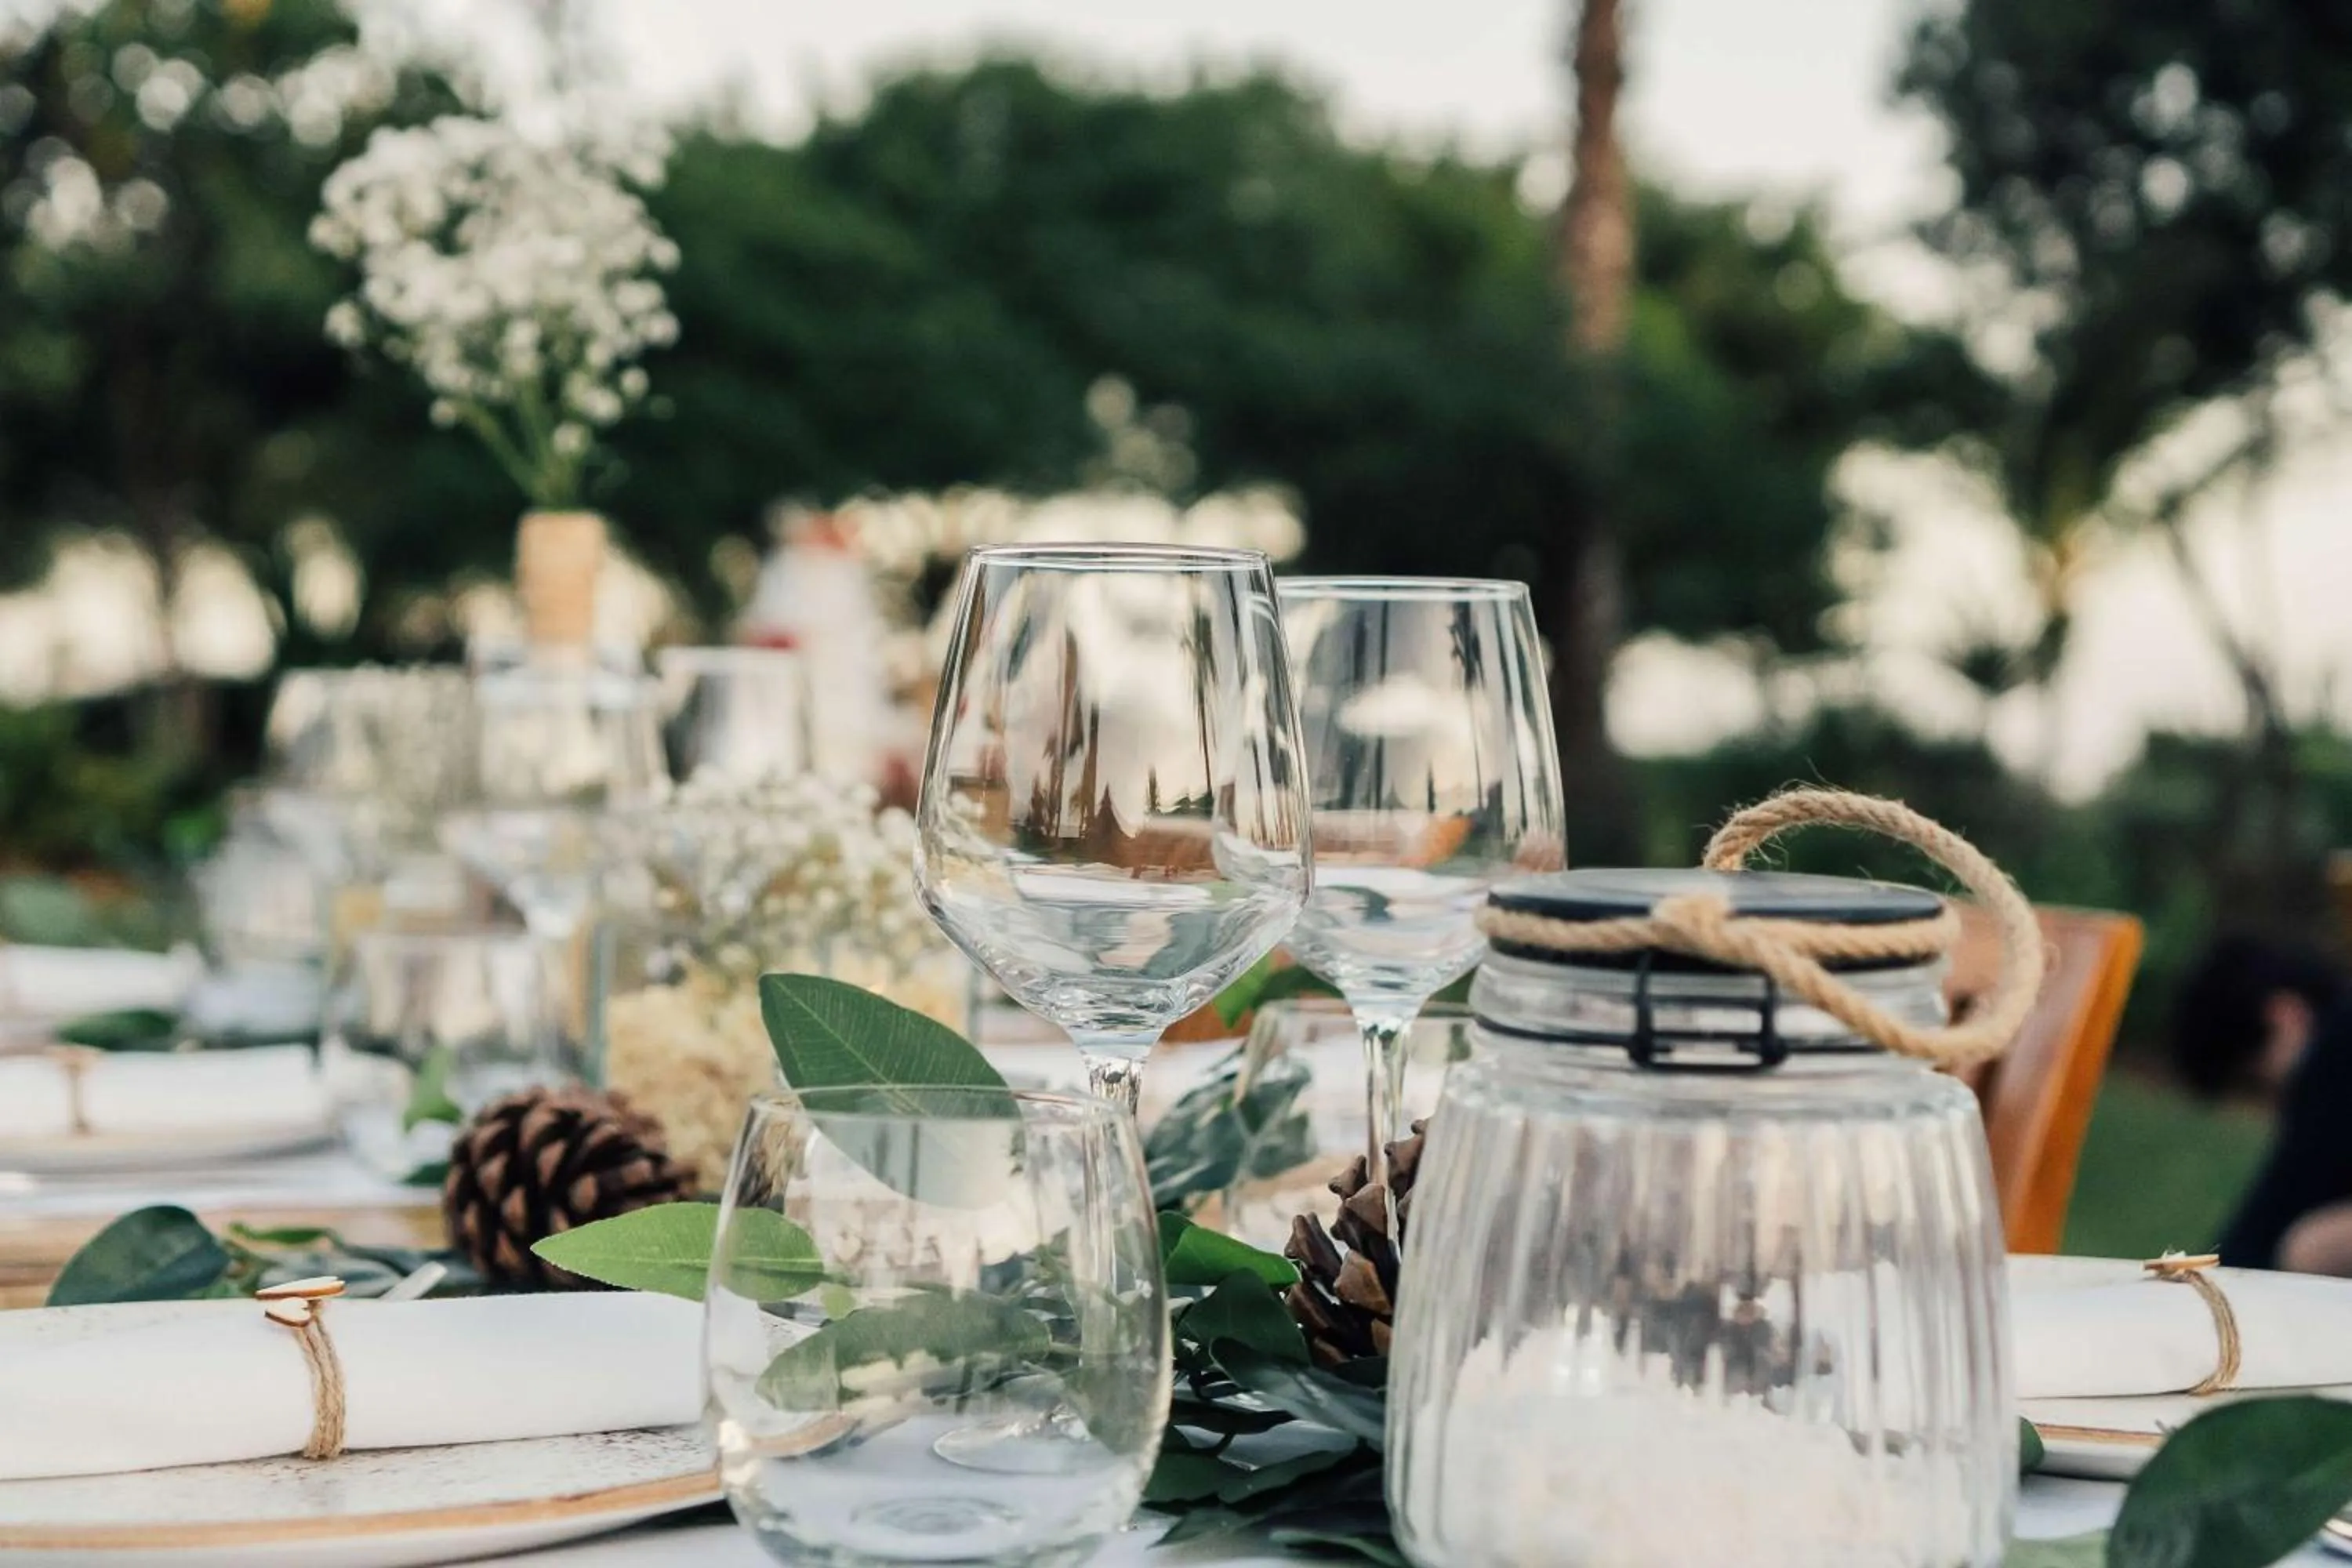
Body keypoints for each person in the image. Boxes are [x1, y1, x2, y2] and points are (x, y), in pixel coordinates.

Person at [2172, 935, 2352, 1271]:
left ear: (2282, 1017)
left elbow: (2273, 1216)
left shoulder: (2332, 1056)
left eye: (2252, 1082)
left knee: (2310, 1247)